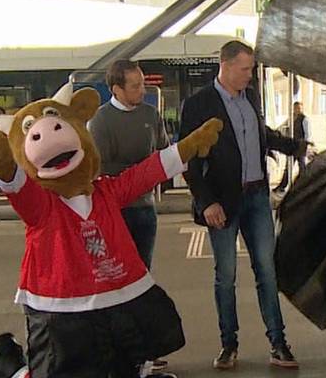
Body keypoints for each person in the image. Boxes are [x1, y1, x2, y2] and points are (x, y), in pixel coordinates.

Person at [180, 40, 302, 370]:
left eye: (251, 69)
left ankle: (278, 343)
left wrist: (296, 147)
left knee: (267, 270)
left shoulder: (250, 97)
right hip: (221, 202)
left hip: (257, 197)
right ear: (226, 65)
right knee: (226, 275)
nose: (250, 75)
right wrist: (206, 203)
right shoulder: (198, 104)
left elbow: (261, 135)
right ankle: (228, 344)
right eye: (245, 69)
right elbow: (188, 160)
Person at [89, 60, 171, 374]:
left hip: (145, 209)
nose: (142, 91)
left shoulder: (151, 115)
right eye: (135, 86)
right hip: (115, 213)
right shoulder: (101, 121)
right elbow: (102, 170)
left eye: (142, 84)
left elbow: (162, 153)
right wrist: (138, 171)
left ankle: (143, 349)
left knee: (143, 278)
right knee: (114, 280)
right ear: (116, 89)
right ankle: (117, 349)